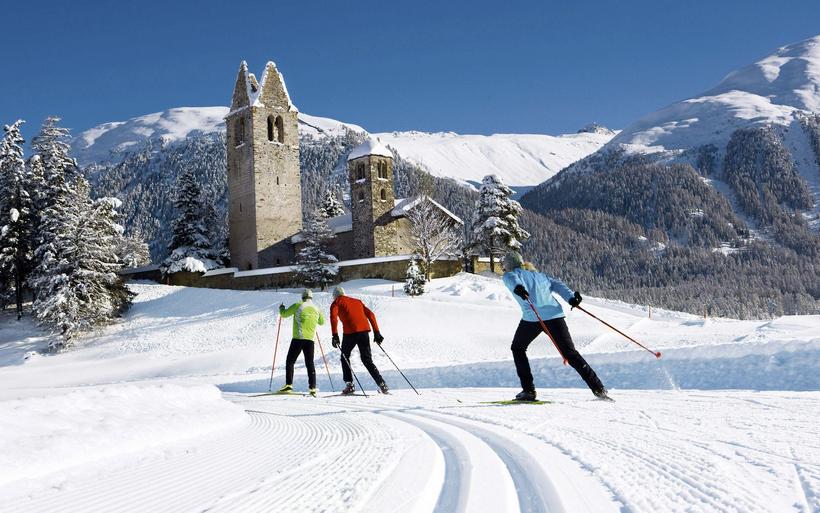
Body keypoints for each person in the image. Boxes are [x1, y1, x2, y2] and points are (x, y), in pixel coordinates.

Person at [501, 252, 610, 401]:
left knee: (518, 348)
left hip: (533, 318)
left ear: (508, 265)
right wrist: (571, 298)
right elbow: (558, 285)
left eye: (504, 265)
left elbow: (513, 280)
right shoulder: (540, 276)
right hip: (554, 316)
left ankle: (528, 391)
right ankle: (599, 389)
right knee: (571, 354)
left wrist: (519, 288)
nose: (503, 268)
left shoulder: (510, 274)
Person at [329, 286, 389, 395]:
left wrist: (335, 335)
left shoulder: (336, 302)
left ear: (334, 296)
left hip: (350, 333)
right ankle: (382, 384)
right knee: (367, 360)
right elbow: (371, 314)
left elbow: (333, 318)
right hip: (364, 332)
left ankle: (350, 385)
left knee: (344, 357)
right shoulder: (357, 301)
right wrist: (377, 332)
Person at [278, 289, 325, 397]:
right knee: (310, 363)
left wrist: (281, 308)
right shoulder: (317, 308)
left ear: (302, 297)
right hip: (310, 340)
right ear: (311, 297)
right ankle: (312, 387)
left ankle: (289, 385)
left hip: (298, 338)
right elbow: (322, 322)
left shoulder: (298, 305)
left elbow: (284, 314)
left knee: (290, 361)